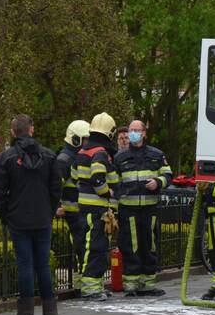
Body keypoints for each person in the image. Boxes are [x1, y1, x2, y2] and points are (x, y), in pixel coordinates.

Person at [0, 114, 66, 315]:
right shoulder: (49, 157)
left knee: (25, 264)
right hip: (42, 218)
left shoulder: (5, 158)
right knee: (43, 265)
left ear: (13, 132)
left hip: (18, 219)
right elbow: (56, 189)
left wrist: (6, 216)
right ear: (31, 130)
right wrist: (50, 211)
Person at [113, 120, 172, 297]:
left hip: (149, 208)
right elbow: (114, 181)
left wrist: (158, 182)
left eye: (137, 130)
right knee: (130, 246)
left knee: (149, 244)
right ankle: (131, 285)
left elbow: (168, 174)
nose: (133, 133)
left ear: (144, 133)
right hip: (128, 209)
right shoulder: (120, 157)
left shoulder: (156, 154)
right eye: (131, 130)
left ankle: (148, 285)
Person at [71, 112, 120, 300]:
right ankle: (91, 288)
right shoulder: (100, 152)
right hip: (97, 208)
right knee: (96, 248)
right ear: (110, 132)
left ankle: (96, 286)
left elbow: (75, 177)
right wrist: (107, 192)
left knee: (90, 246)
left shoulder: (83, 151)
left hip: (85, 208)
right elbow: (97, 176)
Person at [56, 120, 90, 273]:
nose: (87, 143)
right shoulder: (65, 159)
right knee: (81, 247)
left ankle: (82, 281)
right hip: (73, 211)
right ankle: (83, 281)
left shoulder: (76, 156)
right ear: (75, 140)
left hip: (81, 209)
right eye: (85, 139)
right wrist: (56, 207)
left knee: (84, 246)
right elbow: (54, 185)